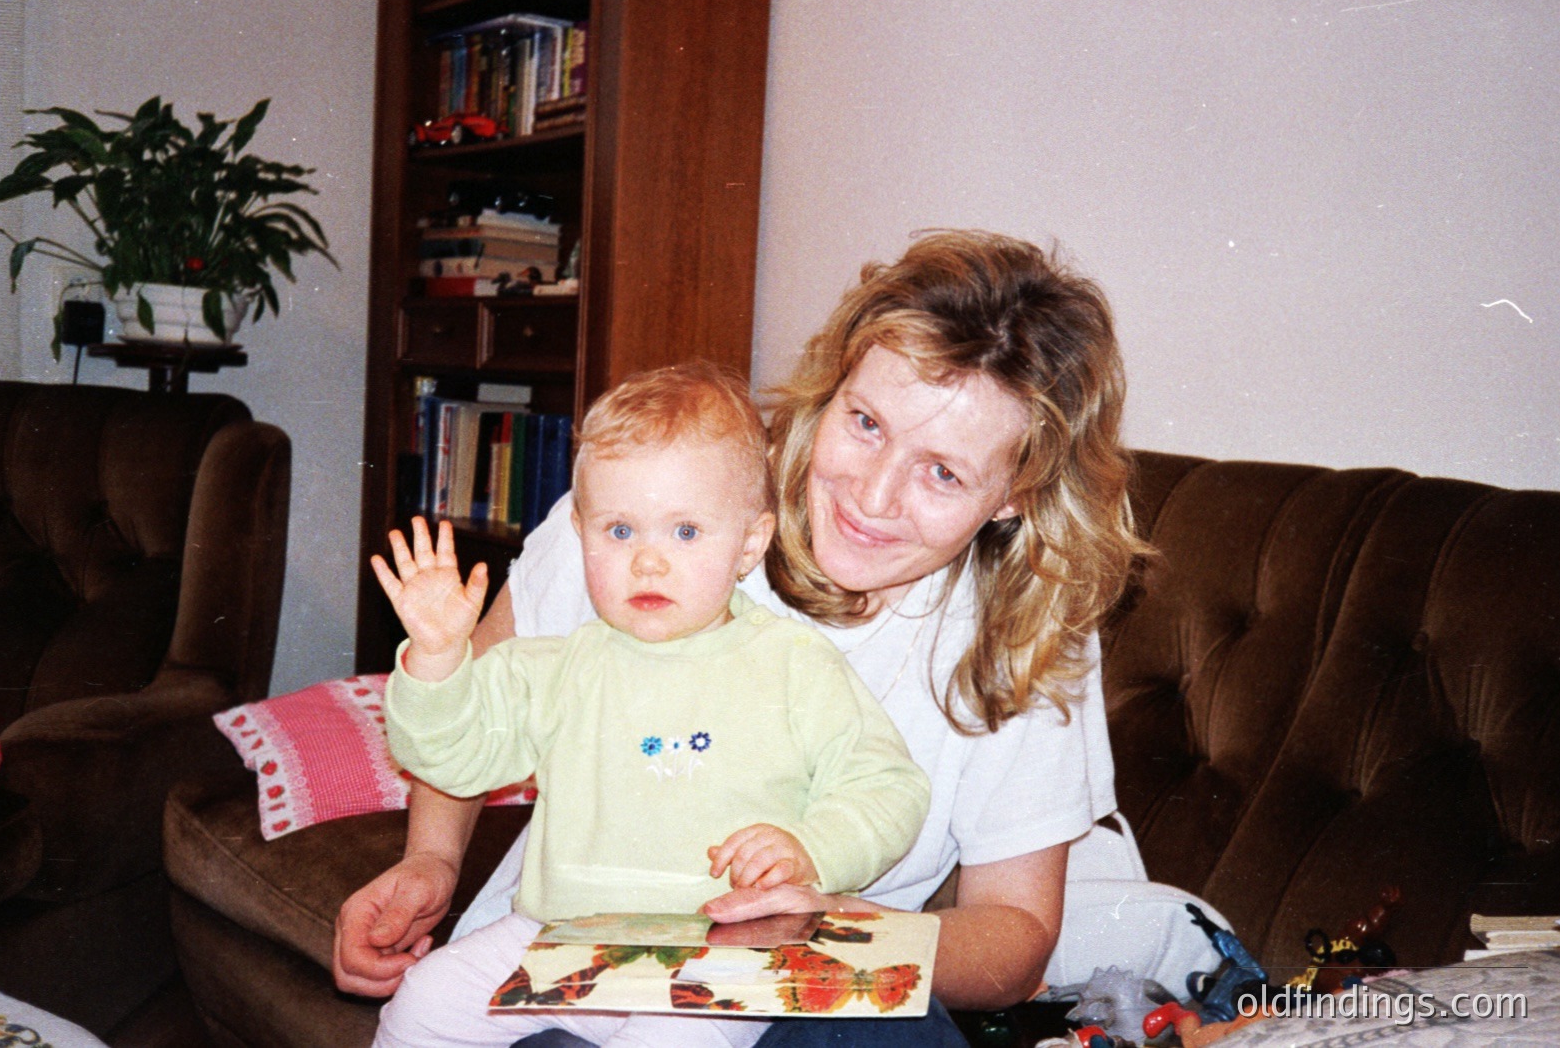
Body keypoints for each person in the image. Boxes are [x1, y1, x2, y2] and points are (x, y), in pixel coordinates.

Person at [337, 230, 1151, 1047]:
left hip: (770, 987)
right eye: (865, 421)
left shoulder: (1022, 633)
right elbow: (479, 692)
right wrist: (430, 863)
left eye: (942, 472)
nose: (872, 495)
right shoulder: (666, 493)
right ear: (831, 391)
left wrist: (834, 922)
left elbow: (1011, 932)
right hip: (559, 949)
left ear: (1012, 495)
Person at [371, 362, 931, 1048]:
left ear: (749, 543)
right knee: (422, 1001)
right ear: (579, 532)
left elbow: (888, 785)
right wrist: (435, 658)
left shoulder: (794, 665)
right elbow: (451, 756)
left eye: (685, 532)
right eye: (619, 530)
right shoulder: (557, 665)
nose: (647, 562)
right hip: (555, 934)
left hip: (717, 950)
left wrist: (812, 848)